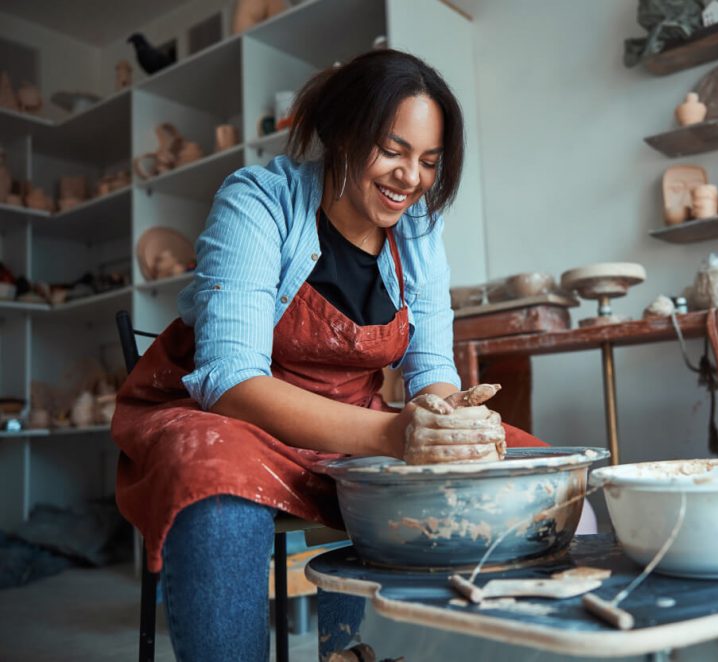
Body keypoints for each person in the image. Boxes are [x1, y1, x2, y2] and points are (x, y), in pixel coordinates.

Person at [112, 50, 550, 661]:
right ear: (342, 133)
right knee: (213, 472)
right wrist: (394, 435)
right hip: (231, 419)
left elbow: (429, 370)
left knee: (531, 464)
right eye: (392, 151)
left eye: (428, 161)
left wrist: (449, 424)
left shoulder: (417, 229)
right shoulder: (259, 201)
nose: (410, 178)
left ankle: (348, 651)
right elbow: (230, 378)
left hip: (350, 425)